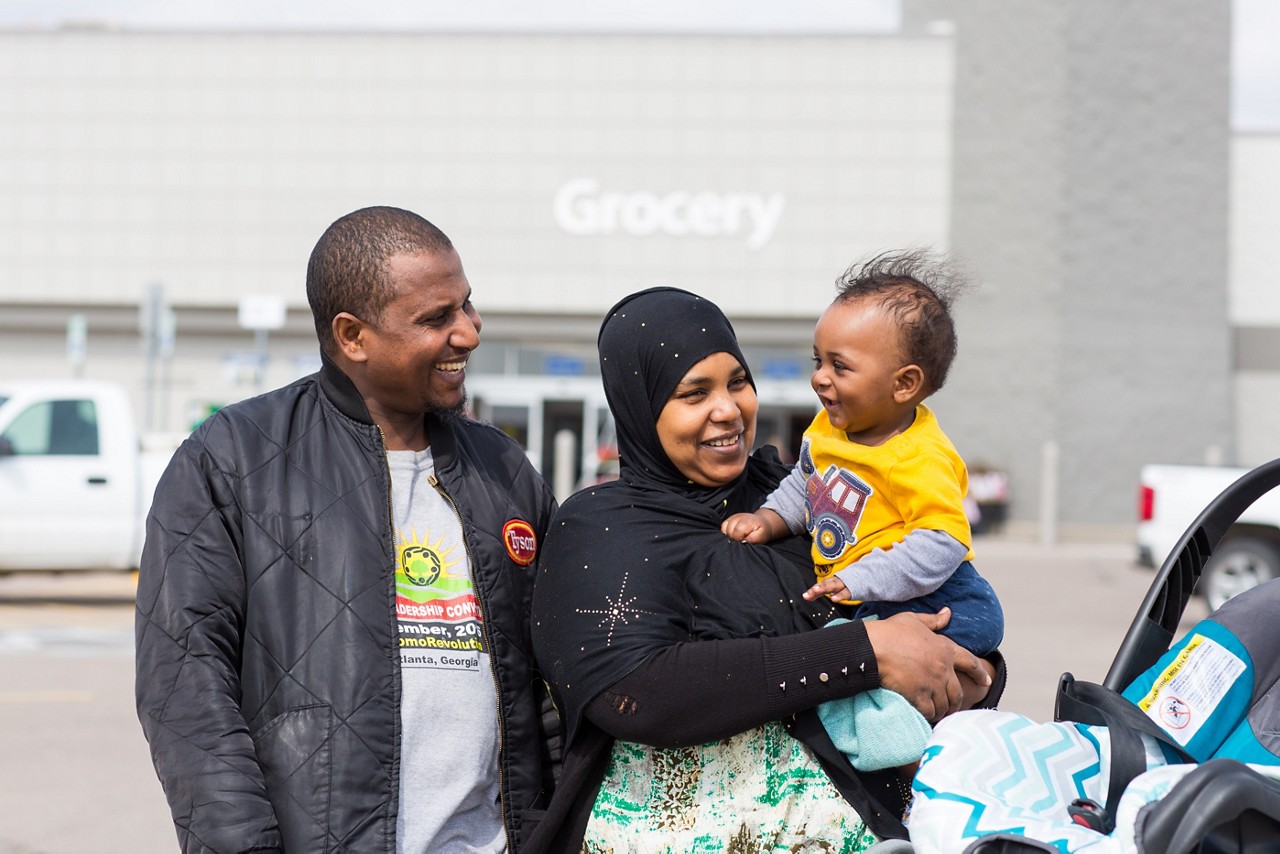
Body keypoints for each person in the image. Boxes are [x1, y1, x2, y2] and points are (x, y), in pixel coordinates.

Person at [135, 206, 558, 853]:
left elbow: (551, 689)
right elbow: (185, 686)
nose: (469, 333)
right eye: (436, 319)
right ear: (352, 336)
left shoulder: (503, 468)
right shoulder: (232, 459)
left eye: (468, 305)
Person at [527, 287, 1005, 852]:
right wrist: (864, 653)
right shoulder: (603, 528)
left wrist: (968, 672)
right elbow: (635, 691)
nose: (728, 409)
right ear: (640, 405)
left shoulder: (800, 495)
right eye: (694, 393)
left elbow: (933, 608)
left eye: (738, 382)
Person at [721, 252, 1004, 770]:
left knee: (913, 664)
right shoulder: (829, 430)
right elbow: (806, 484)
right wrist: (768, 519)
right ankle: (884, 735)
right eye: (818, 361)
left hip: (940, 594)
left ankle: (897, 743)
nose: (820, 379)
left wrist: (860, 578)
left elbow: (942, 542)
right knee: (848, 654)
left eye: (840, 366)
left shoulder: (919, 456)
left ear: (904, 384)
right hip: (870, 597)